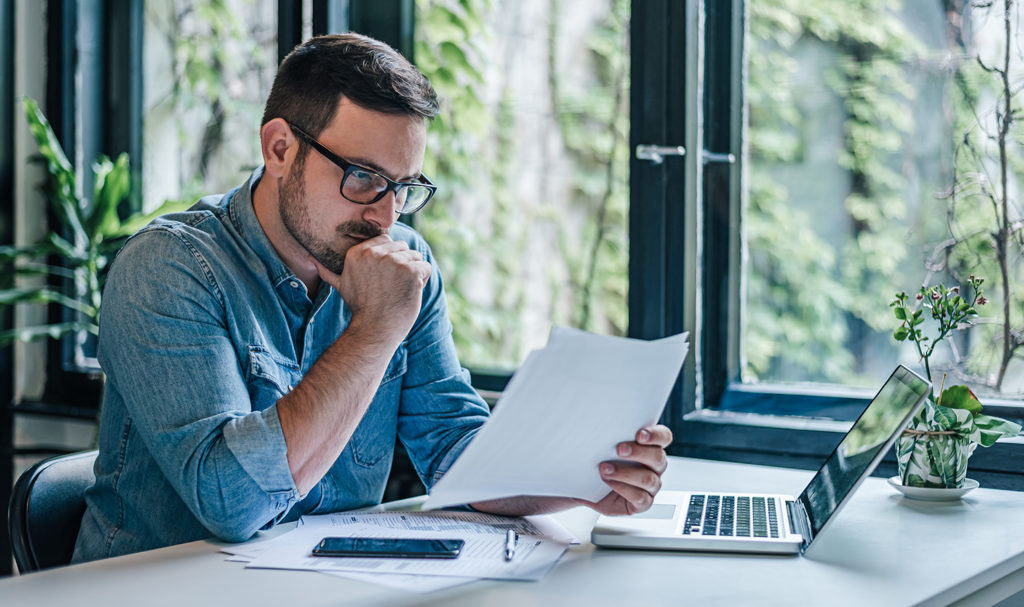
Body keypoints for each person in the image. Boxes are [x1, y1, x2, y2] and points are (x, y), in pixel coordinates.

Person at [72, 33, 672, 563]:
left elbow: (455, 453)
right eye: (362, 176)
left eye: (404, 187)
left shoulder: (405, 265)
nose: (384, 214)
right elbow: (233, 504)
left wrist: (588, 480)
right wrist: (375, 328)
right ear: (280, 149)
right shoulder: (170, 268)